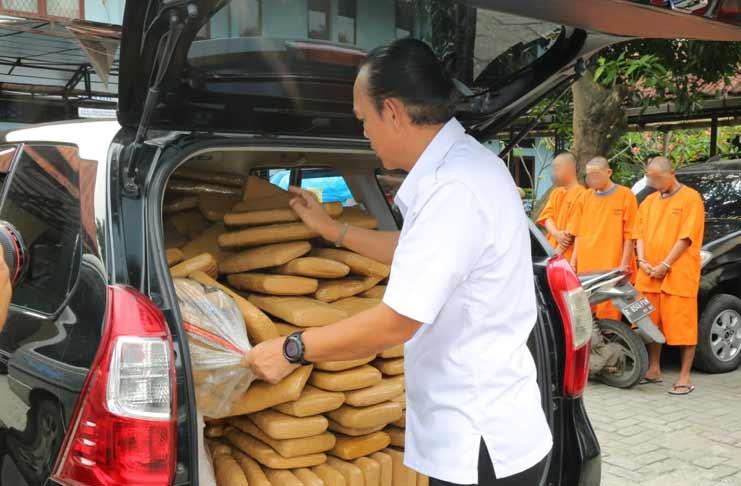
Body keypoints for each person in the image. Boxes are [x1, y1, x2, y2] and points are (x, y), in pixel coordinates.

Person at [244, 38, 552, 485]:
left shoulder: (453, 188)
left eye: (364, 119)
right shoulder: (469, 167)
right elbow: (420, 251)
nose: (363, 132)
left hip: (478, 441)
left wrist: (292, 349)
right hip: (495, 425)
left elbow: (396, 322)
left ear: (392, 111)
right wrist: (334, 232)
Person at [634, 156, 705, 395]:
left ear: (671, 173)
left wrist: (665, 264)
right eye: (650, 179)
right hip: (649, 274)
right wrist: (642, 260)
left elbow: (686, 237)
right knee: (649, 322)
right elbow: (639, 234)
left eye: (657, 178)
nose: (654, 183)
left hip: (678, 274)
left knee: (682, 326)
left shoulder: (691, 198)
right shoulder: (648, 201)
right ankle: (654, 369)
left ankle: (684, 376)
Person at [570, 156, 638, 320]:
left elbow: (630, 234)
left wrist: (624, 263)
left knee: (610, 313)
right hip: (587, 266)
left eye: (596, 175)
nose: (592, 180)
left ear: (609, 172)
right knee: (587, 315)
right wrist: (573, 262)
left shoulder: (625, 195)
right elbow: (578, 232)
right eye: (588, 176)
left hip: (611, 264)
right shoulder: (584, 197)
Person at [535, 153, 587, 261]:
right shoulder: (556, 193)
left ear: (571, 169)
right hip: (550, 250)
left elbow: (571, 233)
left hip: (566, 258)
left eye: (557, 168)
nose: (553, 173)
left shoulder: (582, 195)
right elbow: (547, 217)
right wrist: (556, 233)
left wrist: (554, 256)